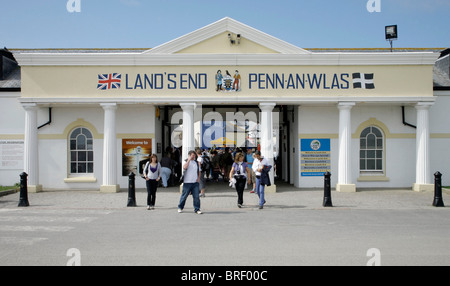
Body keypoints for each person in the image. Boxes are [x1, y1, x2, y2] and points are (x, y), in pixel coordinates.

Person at [178, 150, 203, 214]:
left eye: (194, 155)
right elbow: (184, 167)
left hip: (195, 182)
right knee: (184, 196)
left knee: (196, 196)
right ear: (189, 156)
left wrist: (198, 178)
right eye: (192, 155)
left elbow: (199, 171)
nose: (193, 157)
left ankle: (197, 209)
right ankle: (180, 207)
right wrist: (188, 160)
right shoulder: (185, 161)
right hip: (187, 182)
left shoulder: (196, 163)